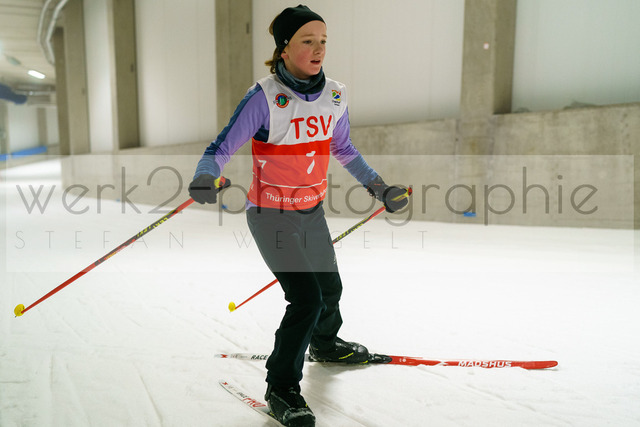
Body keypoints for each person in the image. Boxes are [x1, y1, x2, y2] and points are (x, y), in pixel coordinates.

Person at [189, 5, 408, 426]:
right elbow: (220, 147)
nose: (319, 49)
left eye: (323, 41)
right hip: (271, 215)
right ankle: (282, 387)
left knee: (329, 288)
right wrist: (204, 176)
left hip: (310, 211)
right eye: (308, 41)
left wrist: (380, 187)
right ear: (284, 48)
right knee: (306, 299)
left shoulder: (335, 95)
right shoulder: (264, 98)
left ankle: (325, 345)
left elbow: (343, 148)